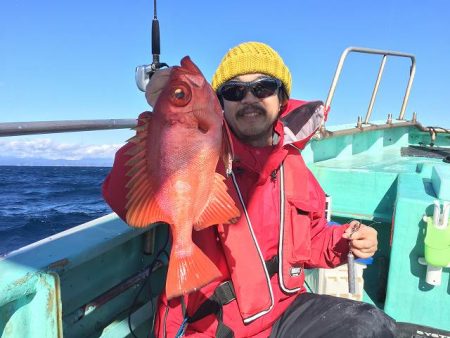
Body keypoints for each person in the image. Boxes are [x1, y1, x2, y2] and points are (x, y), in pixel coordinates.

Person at [103, 41, 396, 337]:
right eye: (234, 91)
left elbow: (312, 237)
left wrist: (348, 241)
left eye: (263, 88)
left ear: (281, 99)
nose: (248, 99)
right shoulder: (204, 150)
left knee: (372, 325)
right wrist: (159, 122)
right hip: (211, 325)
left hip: (283, 313)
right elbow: (124, 198)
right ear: (218, 104)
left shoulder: (293, 164)